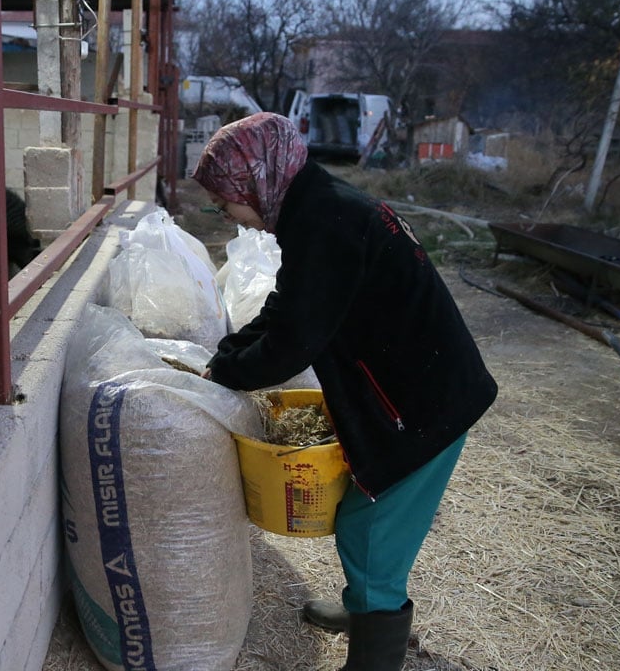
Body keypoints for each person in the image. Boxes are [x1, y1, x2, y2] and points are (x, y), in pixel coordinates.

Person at [192, 112, 498, 671]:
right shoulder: (315, 207)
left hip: (426, 404)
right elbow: (290, 309)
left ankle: (375, 646)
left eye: (224, 202)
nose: (225, 213)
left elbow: (292, 346)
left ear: (255, 181)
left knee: (372, 531)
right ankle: (365, 611)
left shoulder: (325, 224)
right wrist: (227, 355)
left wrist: (227, 374)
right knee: (363, 514)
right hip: (416, 386)